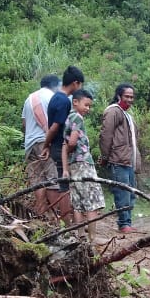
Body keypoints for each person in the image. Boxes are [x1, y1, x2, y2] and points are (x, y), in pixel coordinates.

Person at [40, 66, 86, 224]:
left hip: (57, 147)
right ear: (75, 83)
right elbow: (55, 127)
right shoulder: (63, 101)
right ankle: (68, 224)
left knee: (64, 184)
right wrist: (46, 144)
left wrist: (48, 145)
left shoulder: (56, 97)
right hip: (60, 148)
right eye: (79, 85)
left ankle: (68, 221)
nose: (79, 89)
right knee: (65, 187)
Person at [62, 88, 105, 242]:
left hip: (73, 165)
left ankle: (81, 236)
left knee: (78, 203)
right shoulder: (77, 118)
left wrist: (65, 168)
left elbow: (64, 146)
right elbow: (72, 142)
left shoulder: (67, 119)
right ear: (75, 102)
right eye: (86, 105)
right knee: (92, 202)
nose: (88, 109)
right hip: (84, 164)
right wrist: (74, 148)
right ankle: (92, 238)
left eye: (89, 106)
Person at [98, 83, 140, 233]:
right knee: (122, 193)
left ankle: (127, 222)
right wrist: (105, 156)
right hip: (118, 160)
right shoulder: (113, 112)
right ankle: (123, 224)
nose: (129, 99)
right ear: (119, 96)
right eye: (126, 96)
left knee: (130, 194)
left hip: (128, 161)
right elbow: (106, 135)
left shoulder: (127, 115)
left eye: (132, 97)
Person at [20, 74, 60, 223]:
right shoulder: (53, 97)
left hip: (30, 144)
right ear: (55, 85)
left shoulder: (29, 98)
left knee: (37, 180)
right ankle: (54, 217)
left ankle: (40, 214)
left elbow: (24, 124)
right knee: (52, 179)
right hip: (46, 141)